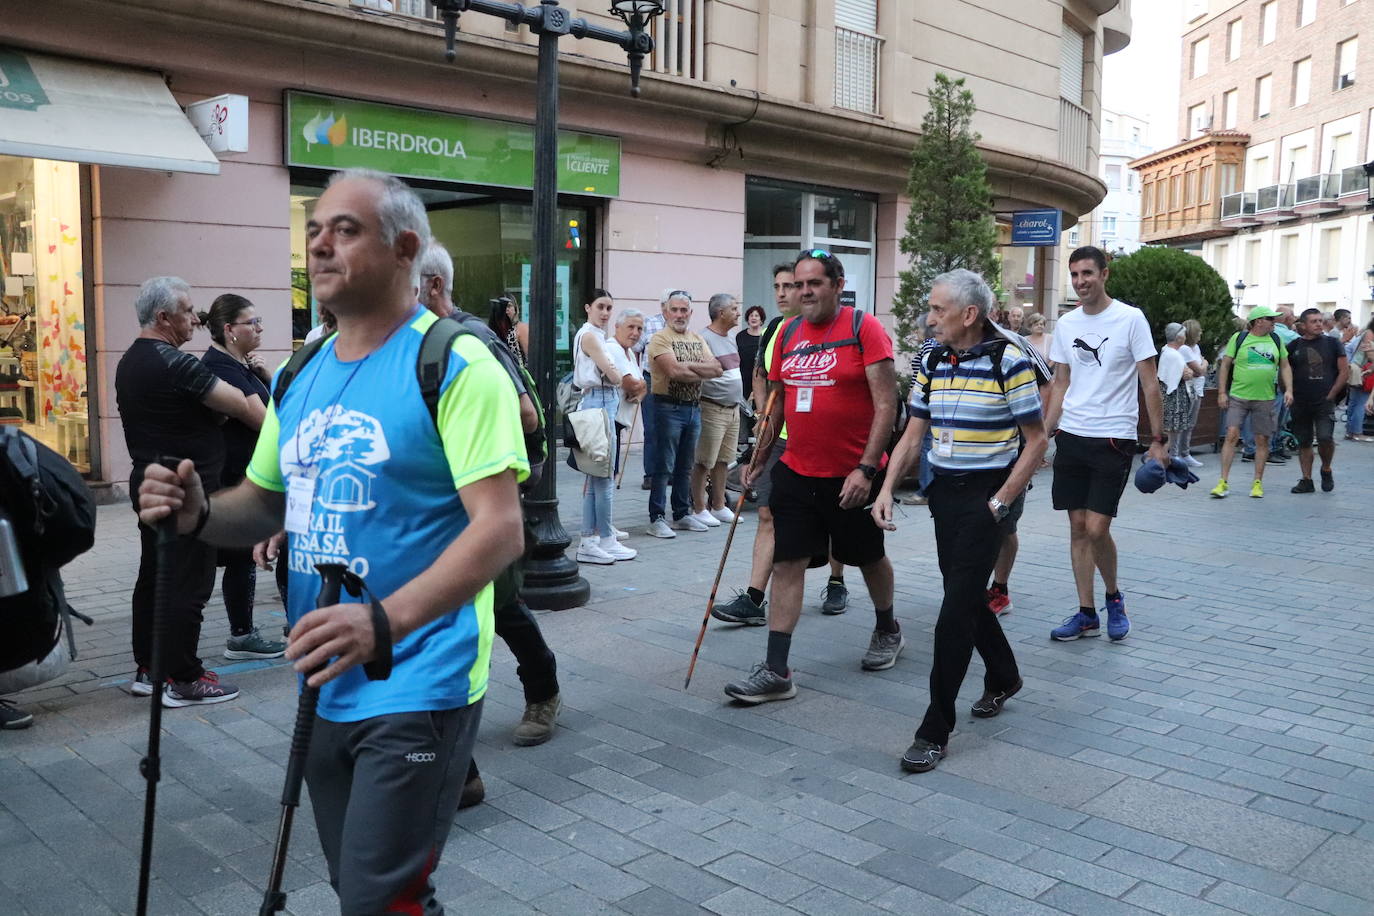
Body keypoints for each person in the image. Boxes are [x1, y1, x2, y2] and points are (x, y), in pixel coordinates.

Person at [138, 169, 528, 914]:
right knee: (363, 888)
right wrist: (195, 515)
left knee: (380, 896)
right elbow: (260, 503)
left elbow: (501, 527)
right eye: (314, 228)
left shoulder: (454, 365)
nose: (319, 243)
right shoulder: (301, 370)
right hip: (324, 674)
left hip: (419, 675)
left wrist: (382, 621)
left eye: (344, 229)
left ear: (404, 247)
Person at [873, 269, 1046, 773]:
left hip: (988, 497)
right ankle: (1004, 674)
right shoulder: (932, 359)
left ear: (969, 314)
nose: (929, 319)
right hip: (944, 492)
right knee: (965, 594)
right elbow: (913, 433)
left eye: (937, 310)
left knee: (953, 612)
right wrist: (886, 488)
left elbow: (1036, 439)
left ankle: (934, 728)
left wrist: (1002, 500)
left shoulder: (1009, 361)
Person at [416, 241, 564, 813]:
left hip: (489, 494)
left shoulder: (469, 339)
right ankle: (458, 765)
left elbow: (526, 415)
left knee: (499, 605)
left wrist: (482, 468)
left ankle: (543, 691)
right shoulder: (415, 342)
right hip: (442, 505)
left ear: (431, 286)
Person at [724, 249, 898, 703]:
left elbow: (886, 404)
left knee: (866, 556)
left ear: (837, 286)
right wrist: (759, 455)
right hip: (797, 470)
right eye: (799, 284)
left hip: (850, 475)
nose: (804, 291)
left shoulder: (864, 328)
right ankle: (777, 670)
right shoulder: (789, 332)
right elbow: (778, 400)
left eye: (814, 283)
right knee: (787, 562)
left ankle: (887, 626)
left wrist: (866, 468)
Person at [117, 276, 261, 705]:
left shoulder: (130, 360)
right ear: (163, 317)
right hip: (186, 489)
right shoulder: (175, 363)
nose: (195, 319)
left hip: (149, 482)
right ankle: (185, 678)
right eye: (187, 311)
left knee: (155, 578)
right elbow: (242, 407)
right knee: (188, 584)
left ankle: (150, 668)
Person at [711, 264, 849, 626]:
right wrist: (761, 414)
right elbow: (762, 374)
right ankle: (755, 598)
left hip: (820, 440)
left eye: (791, 286)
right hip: (779, 437)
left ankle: (837, 580)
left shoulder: (824, 328)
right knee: (768, 513)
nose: (784, 293)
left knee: (833, 517)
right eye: (778, 286)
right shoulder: (775, 329)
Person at [1043, 246, 1168, 643]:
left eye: (1088, 274)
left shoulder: (1130, 319)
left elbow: (1150, 383)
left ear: (1104, 274)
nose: (1081, 282)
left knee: (1097, 528)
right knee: (1077, 527)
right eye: (1075, 274)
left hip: (1114, 436)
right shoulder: (1066, 324)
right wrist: (1043, 434)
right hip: (1073, 435)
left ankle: (1114, 597)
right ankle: (1086, 613)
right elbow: (1060, 383)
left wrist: (1158, 441)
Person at [198, 294, 287, 660]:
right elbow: (266, 423)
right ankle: (241, 635)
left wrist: (264, 375)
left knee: (239, 557)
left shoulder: (240, 366)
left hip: (239, 474)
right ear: (230, 329)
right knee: (236, 557)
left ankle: (243, 632)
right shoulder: (221, 368)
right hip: (230, 478)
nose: (260, 327)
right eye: (253, 322)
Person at [645, 291, 721, 537]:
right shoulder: (659, 338)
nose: (679, 314)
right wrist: (700, 370)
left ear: (690, 313)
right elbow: (674, 371)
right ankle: (657, 517)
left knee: (685, 466)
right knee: (663, 465)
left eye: (683, 310)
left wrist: (688, 367)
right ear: (665, 312)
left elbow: (717, 368)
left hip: (693, 408)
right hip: (667, 407)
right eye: (674, 310)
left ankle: (681, 514)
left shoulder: (697, 338)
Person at [572, 289, 637, 563]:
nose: (605, 312)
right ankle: (601, 538)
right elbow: (614, 374)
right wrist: (613, 371)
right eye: (601, 306)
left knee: (597, 476)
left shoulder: (595, 336)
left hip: (601, 401)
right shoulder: (589, 335)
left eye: (609, 307)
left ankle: (594, 538)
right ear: (588, 307)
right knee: (602, 476)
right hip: (598, 402)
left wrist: (614, 372)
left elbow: (615, 373)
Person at [1210, 305, 1294, 499]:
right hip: (1239, 395)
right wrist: (1222, 392)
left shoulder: (1276, 339)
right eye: (1271, 319)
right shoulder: (1239, 338)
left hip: (1265, 398)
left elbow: (1285, 365)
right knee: (1232, 434)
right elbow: (1225, 365)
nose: (1275, 322)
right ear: (1259, 321)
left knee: (1262, 439)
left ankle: (1257, 482)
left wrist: (1289, 389)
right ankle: (1223, 481)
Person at [689, 293, 744, 528]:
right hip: (712, 408)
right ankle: (699, 507)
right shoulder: (703, 338)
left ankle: (719, 505)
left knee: (724, 460)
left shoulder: (731, 337)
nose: (738, 313)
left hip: (733, 409)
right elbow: (700, 372)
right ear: (721, 313)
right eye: (734, 308)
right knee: (704, 461)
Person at [1286, 307, 1347, 493]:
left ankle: (1326, 468)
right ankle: (1306, 479)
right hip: (1300, 401)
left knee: (1325, 437)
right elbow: (1285, 371)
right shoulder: (1294, 346)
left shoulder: (1333, 343)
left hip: (1324, 400)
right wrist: (1289, 392)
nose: (1319, 324)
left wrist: (1332, 393)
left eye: (1320, 320)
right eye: (1314, 321)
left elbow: (1344, 371)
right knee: (1303, 441)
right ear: (1303, 325)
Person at [633, 295, 670, 490]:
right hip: (650, 378)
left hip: (673, 381)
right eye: (670, 305)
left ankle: (668, 471)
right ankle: (650, 474)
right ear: (663, 305)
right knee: (652, 428)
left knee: (671, 429)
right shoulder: (650, 323)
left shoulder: (680, 327)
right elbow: (635, 348)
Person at [1173, 319, 1207, 468]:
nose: (1201, 333)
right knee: (1181, 423)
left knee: (1190, 423)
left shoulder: (1196, 348)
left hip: (1197, 390)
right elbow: (1199, 370)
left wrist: (1201, 365)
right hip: (1187, 390)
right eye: (1199, 331)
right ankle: (1175, 454)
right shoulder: (1185, 349)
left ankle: (1185, 453)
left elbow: (1198, 370)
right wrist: (1204, 363)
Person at [1158, 323, 1195, 460]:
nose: (1185, 337)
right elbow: (1186, 374)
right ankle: (1168, 455)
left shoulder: (1168, 351)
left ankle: (1171, 454)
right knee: (1171, 427)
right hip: (1173, 394)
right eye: (1184, 335)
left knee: (1174, 426)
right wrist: (1187, 372)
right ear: (1178, 337)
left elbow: (1187, 371)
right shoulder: (1173, 355)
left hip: (1174, 393)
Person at [1344, 317, 1374, 441]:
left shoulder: (1367, 332)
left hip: (1357, 368)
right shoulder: (1370, 334)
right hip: (1362, 369)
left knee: (1355, 401)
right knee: (1361, 401)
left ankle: (1350, 431)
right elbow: (1369, 354)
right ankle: (1356, 432)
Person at [737, 304, 767, 405]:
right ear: (747, 318)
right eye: (751, 315)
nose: (753, 318)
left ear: (761, 319)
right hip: (743, 379)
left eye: (756, 315)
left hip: (761, 378)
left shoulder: (765, 336)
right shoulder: (740, 336)